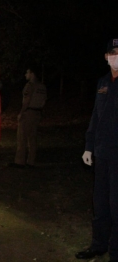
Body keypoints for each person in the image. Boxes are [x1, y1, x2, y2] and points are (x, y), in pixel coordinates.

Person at [75, 38, 118, 262]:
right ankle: (98, 245)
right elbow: (95, 118)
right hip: (102, 153)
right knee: (100, 204)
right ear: (106, 56)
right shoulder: (102, 82)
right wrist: (88, 147)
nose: (115, 56)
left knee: (116, 206)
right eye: (112, 52)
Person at [9, 65, 47, 168]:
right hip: (37, 113)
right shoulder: (42, 87)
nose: (26, 74)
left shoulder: (30, 86)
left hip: (28, 113)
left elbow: (26, 101)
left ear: (32, 74)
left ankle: (20, 161)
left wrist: (21, 113)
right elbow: (43, 101)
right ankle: (31, 161)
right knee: (32, 138)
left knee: (22, 137)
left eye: (27, 72)